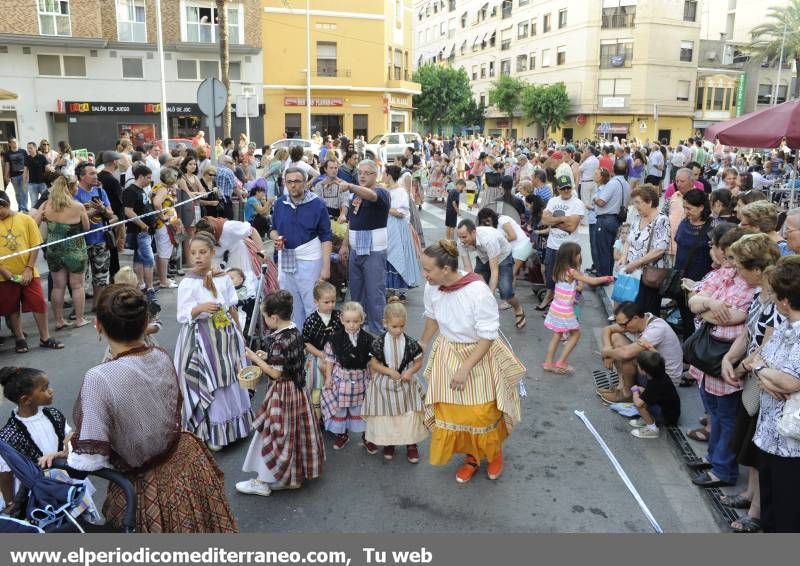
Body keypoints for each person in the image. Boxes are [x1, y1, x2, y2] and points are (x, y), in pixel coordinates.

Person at [68, 284, 237, 532]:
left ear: (98, 326)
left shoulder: (99, 378)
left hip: (144, 485)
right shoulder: (159, 354)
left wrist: (69, 447)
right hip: (187, 463)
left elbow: (90, 459)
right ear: (145, 321)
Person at [419, 240, 524, 483]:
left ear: (445, 269)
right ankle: (472, 457)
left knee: (481, 413)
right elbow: (433, 318)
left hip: (479, 354)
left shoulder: (478, 291)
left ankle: (493, 452)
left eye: (428, 270)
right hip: (448, 352)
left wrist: (466, 368)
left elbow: (488, 335)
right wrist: (423, 344)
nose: (425, 275)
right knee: (455, 414)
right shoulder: (432, 287)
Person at [718, 233, 782, 533]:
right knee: (750, 442)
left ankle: (756, 510)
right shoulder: (759, 294)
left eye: (740, 266)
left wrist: (745, 363)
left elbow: (769, 342)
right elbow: (748, 332)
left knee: (758, 447)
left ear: (758, 269)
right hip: (754, 378)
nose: (736, 271)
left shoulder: (779, 299)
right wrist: (731, 358)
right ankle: (750, 496)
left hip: (767, 383)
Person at [686, 227, 756, 489]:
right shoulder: (724, 273)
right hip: (707, 356)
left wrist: (706, 308)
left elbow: (736, 317)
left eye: (733, 257)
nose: (730, 263)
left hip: (725, 357)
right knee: (714, 412)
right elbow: (693, 299)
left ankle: (723, 470)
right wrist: (711, 306)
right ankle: (714, 459)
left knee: (726, 416)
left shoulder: (752, 287)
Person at [237, 290, 324, 497]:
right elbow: (286, 361)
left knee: (274, 434)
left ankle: (264, 479)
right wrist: (267, 356)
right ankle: (291, 478)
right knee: (294, 433)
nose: (265, 321)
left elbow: (275, 373)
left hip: (283, 393)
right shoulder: (294, 332)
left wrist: (254, 358)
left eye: (265, 317)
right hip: (297, 390)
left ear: (274, 317)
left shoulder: (278, 341)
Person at [174, 234, 254, 451]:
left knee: (230, 377)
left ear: (212, 252)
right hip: (201, 337)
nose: (198, 257)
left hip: (225, 335)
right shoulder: (187, 283)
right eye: (193, 253)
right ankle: (212, 431)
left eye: (202, 252)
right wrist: (200, 308)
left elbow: (231, 308)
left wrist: (239, 334)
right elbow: (182, 315)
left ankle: (236, 427)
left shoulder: (223, 278)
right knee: (210, 379)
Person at [0, 366, 100, 522]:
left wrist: (66, 448)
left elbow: (69, 438)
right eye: (44, 388)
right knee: (52, 524)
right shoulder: (9, 435)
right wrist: (10, 502)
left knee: (77, 521)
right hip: (37, 493)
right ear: (26, 400)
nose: (51, 391)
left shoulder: (53, 414)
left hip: (66, 480)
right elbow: (5, 475)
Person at [745, 255, 800, 532]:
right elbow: (758, 360)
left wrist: (762, 371)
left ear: (785, 300)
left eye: (774, 293)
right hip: (770, 435)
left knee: (788, 517)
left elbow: (790, 382)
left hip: (792, 444)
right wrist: (765, 374)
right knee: (771, 512)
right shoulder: (784, 327)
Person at [362, 297, 427, 463]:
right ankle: (389, 442)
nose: (398, 330)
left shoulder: (411, 343)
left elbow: (419, 361)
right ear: (385, 323)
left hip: (405, 384)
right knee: (387, 416)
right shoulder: (378, 342)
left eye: (402, 326)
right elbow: (373, 363)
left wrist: (410, 371)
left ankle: (411, 445)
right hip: (385, 383)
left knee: (408, 414)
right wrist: (388, 371)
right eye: (394, 326)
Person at [0, 191, 63, 353]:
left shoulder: (25, 219)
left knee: (38, 303)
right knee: (12, 307)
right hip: (4, 275)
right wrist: (4, 272)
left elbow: (35, 245)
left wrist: (28, 269)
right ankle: (20, 338)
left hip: (29, 271)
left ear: (5, 205)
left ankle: (45, 337)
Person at [270, 167, 332, 329]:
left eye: (297, 181)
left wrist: (326, 267)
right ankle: (298, 342)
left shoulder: (317, 204)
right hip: (287, 257)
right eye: (289, 182)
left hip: (310, 259)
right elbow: (273, 229)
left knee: (312, 303)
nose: (293, 185)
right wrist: (276, 238)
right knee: (291, 304)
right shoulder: (280, 203)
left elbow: (326, 237)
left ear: (305, 183)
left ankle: (315, 346)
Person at [337, 160, 391, 334]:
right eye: (360, 172)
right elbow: (352, 221)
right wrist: (345, 245)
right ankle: (358, 331)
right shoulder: (356, 195)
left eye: (367, 173)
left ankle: (379, 333)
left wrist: (351, 186)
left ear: (376, 175)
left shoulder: (381, 192)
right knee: (356, 292)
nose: (362, 175)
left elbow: (372, 196)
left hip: (374, 250)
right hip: (355, 249)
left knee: (375, 293)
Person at [543, 242, 614, 374]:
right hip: (565, 310)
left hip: (556, 307)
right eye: (578, 253)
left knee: (557, 335)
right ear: (572, 256)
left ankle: (548, 363)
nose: (580, 255)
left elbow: (567, 288)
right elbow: (591, 281)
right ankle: (561, 362)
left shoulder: (558, 270)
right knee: (576, 334)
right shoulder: (572, 272)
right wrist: (606, 278)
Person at [599, 301, 684, 403]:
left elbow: (626, 354)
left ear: (635, 318)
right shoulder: (642, 319)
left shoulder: (656, 329)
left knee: (628, 356)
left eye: (624, 325)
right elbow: (607, 330)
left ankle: (627, 394)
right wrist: (607, 349)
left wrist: (607, 353)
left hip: (665, 381)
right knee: (615, 337)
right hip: (650, 371)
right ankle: (621, 386)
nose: (623, 328)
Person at [320, 302, 373, 451]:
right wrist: (328, 378)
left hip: (361, 379)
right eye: (348, 321)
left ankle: (366, 435)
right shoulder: (334, 339)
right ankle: (342, 434)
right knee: (340, 408)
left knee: (361, 408)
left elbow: (371, 362)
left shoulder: (368, 339)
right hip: (341, 378)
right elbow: (330, 360)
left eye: (356, 321)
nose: (351, 325)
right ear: (342, 320)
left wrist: (374, 380)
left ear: (362, 320)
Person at [39, 176, 90, 330]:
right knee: (77, 286)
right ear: (70, 187)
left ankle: (59, 320)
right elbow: (86, 228)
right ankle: (79, 319)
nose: (77, 189)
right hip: (75, 249)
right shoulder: (78, 206)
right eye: (75, 187)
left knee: (58, 286)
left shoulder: (47, 205)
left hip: (54, 250)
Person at [457, 218, 526, 329]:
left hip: (502, 256)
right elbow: (468, 268)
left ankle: (518, 308)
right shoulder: (461, 242)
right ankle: (477, 317)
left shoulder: (488, 239)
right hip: (483, 257)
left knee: (506, 291)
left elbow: (494, 271)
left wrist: (490, 296)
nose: (462, 240)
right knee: (477, 287)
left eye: (464, 237)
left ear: (473, 232)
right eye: (460, 237)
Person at [615, 185, 670, 317]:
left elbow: (659, 250)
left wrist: (636, 263)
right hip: (633, 273)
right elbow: (629, 240)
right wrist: (624, 256)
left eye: (638, 203)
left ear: (649, 202)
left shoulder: (661, 220)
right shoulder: (637, 218)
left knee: (646, 312)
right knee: (631, 310)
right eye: (634, 203)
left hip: (648, 276)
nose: (635, 206)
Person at [538, 175, 585, 311]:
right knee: (550, 274)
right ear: (557, 189)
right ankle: (550, 297)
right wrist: (564, 219)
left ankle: (562, 305)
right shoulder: (553, 201)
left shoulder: (577, 203)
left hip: (569, 248)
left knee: (567, 279)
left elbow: (572, 227)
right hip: (553, 245)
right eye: (563, 188)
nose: (566, 190)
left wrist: (554, 221)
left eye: (568, 187)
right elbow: (544, 220)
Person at [73, 162, 114, 310]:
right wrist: (91, 212)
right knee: (80, 278)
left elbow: (111, 214)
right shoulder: (74, 193)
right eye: (91, 173)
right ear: (81, 177)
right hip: (80, 241)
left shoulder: (100, 192)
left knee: (101, 276)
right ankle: (78, 310)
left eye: (95, 173)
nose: (96, 176)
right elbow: (72, 217)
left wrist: (103, 209)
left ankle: (97, 306)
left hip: (100, 239)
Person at [302, 281, 342, 423]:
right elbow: (305, 342)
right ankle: (318, 417)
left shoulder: (339, 317)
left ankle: (335, 417)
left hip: (337, 357)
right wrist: (321, 354)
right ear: (316, 302)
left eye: (333, 301)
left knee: (335, 387)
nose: (331, 305)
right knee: (317, 387)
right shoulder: (311, 321)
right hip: (317, 356)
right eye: (326, 302)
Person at [384, 165, 422, 303]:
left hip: (399, 228)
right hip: (388, 228)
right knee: (389, 257)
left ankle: (400, 291)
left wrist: (387, 208)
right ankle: (390, 289)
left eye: (384, 173)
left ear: (389, 175)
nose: (383, 176)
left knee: (398, 255)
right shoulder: (387, 190)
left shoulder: (400, 191)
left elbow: (402, 213)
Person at [476, 208, 532, 296]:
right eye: (484, 221)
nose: (486, 223)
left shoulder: (502, 220)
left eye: (487, 220)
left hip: (522, 246)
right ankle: (506, 293)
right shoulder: (491, 225)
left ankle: (508, 298)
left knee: (511, 273)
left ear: (491, 216)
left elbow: (513, 236)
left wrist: (498, 241)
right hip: (512, 249)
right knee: (507, 273)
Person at [629, 351, 681, 439]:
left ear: (644, 371)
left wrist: (634, 390)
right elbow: (653, 393)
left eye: (638, 365)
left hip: (667, 417)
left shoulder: (655, 384)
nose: (636, 366)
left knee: (640, 404)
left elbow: (638, 403)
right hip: (671, 411)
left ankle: (652, 429)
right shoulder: (659, 376)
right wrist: (641, 390)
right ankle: (648, 419)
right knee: (642, 395)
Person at [592, 163, 627, 277]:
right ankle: (608, 276)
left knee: (603, 251)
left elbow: (601, 202)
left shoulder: (612, 183)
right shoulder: (626, 184)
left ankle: (603, 277)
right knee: (611, 251)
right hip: (617, 220)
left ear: (613, 169)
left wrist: (594, 198)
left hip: (606, 219)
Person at [150, 168, 180, 290]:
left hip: (163, 225)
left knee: (162, 252)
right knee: (164, 253)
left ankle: (163, 278)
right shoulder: (162, 189)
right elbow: (157, 203)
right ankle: (163, 280)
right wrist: (162, 216)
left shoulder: (160, 186)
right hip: (163, 225)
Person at [3, 138, 28, 212]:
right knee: (17, 193)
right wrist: (6, 175)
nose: (15, 143)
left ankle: (25, 207)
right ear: (10, 144)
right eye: (13, 142)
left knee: (24, 192)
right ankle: (20, 207)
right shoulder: (8, 154)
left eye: (16, 141)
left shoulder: (23, 151)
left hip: (23, 174)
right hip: (14, 176)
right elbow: (7, 165)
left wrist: (28, 174)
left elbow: (27, 163)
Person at [23, 142, 49, 207]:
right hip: (32, 184)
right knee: (34, 202)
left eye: (30, 148)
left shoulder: (42, 157)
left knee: (46, 201)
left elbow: (47, 169)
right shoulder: (27, 158)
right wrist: (24, 183)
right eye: (28, 148)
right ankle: (34, 216)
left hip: (42, 183)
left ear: (35, 148)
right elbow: (25, 171)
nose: (29, 150)